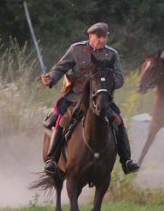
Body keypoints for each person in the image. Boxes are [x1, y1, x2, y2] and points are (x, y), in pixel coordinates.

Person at [39, 22, 140, 176]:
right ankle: (52, 159)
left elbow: (119, 79)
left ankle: (126, 160)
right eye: (98, 36)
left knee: (118, 121)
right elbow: (60, 68)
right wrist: (50, 78)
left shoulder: (112, 54)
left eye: (104, 36)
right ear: (90, 36)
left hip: (100, 97)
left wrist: (106, 84)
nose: (102, 40)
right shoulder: (76, 49)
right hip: (75, 96)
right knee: (59, 119)